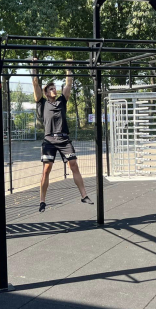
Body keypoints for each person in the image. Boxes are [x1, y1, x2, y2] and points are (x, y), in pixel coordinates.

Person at [32, 58, 92, 212]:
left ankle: (84, 195)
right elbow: (35, 84)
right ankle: (42, 201)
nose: (54, 90)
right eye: (51, 88)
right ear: (46, 93)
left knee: (74, 165)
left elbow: (69, 84)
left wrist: (69, 67)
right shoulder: (42, 103)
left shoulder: (61, 101)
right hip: (49, 140)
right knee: (47, 169)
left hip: (64, 139)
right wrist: (34, 67)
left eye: (54, 88)